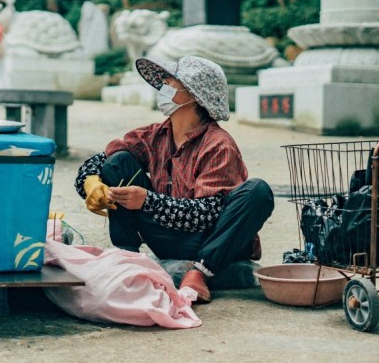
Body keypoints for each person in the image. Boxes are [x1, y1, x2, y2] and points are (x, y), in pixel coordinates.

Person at [74, 56, 274, 303]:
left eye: (172, 80)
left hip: (210, 241)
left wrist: (148, 202)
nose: (164, 83)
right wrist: (91, 181)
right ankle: (126, 256)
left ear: (193, 95)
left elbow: (207, 215)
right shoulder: (154, 135)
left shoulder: (218, 145)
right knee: (118, 161)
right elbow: (103, 159)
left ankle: (200, 272)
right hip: (166, 237)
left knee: (258, 191)